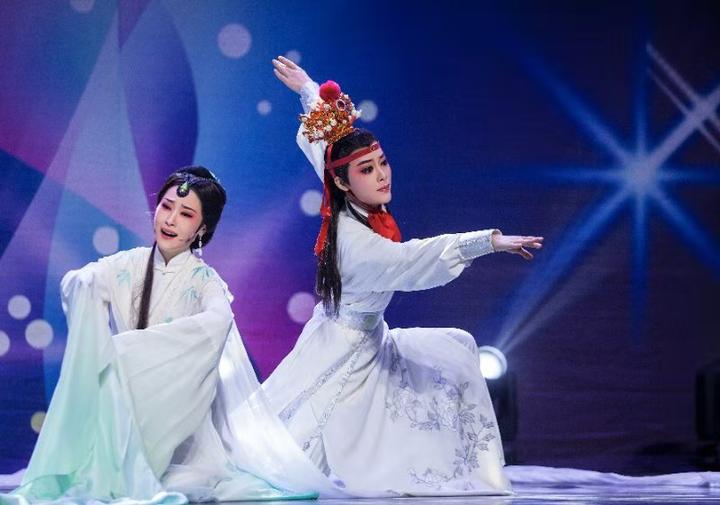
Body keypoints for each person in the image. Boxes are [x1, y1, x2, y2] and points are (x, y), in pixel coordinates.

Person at [265, 56, 544, 497]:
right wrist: (489, 241)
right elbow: (417, 258)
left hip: (369, 337)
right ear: (344, 183)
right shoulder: (358, 245)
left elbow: (326, 146)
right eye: (368, 170)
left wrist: (307, 88)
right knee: (292, 460)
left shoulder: (342, 189)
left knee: (456, 347)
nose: (381, 176)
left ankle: (465, 466)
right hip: (344, 355)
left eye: (382, 163)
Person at [2, 167, 333, 505]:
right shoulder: (129, 263)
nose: (170, 219)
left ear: (202, 229)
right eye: (166, 206)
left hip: (175, 418)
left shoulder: (204, 280)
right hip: (124, 396)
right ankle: (109, 465)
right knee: (106, 367)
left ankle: (124, 468)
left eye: (186, 214)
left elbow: (218, 320)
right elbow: (84, 278)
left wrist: (131, 349)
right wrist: (84, 282)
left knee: (118, 364)